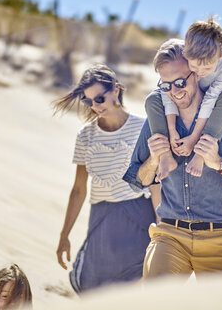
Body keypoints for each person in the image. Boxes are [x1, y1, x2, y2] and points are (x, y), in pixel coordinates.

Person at [123, 39, 222, 280]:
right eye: (167, 85)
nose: (175, 91)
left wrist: (219, 164)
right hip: (169, 235)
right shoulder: (158, 120)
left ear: (198, 73)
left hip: (220, 240)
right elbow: (135, 181)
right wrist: (153, 160)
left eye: (181, 82)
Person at [53, 63, 158, 293]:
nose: (94, 106)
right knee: (95, 289)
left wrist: (163, 232)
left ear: (117, 90)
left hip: (138, 218)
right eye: (88, 101)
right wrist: (64, 235)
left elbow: (157, 184)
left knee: (135, 290)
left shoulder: (144, 128)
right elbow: (79, 189)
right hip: (101, 219)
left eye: (99, 98)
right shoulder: (85, 136)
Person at [145, 16, 222, 181]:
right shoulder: (175, 50)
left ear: (221, 56)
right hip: (191, 91)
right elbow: (166, 89)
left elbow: (211, 98)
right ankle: (165, 155)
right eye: (194, 66)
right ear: (186, 52)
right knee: (154, 97)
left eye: (207, 67)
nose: (199, 72)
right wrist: (172, 129)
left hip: (219, 97)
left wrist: (193, 139)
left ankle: (201, 154)